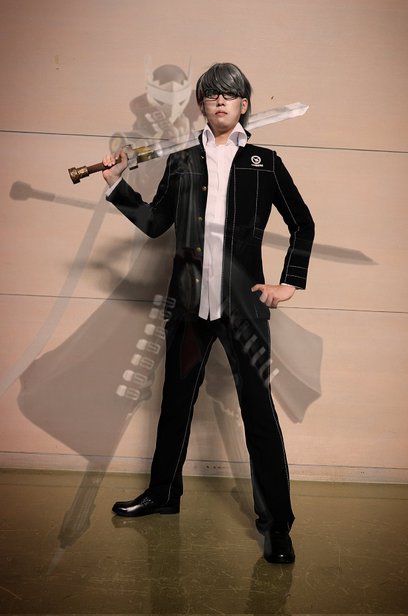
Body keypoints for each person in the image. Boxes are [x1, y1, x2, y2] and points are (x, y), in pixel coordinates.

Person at [102, 62, 315, 564]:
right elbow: (156, 223)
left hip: (244, 308)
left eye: (230, 94)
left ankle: (276, 525)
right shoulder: (182, 162)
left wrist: (289, 282)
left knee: (259, 414)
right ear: (202, 104)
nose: (221, 100)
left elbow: (302, 223)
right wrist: (115, 185)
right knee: (175, 404)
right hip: (189, 306)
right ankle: (163, 494)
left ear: (243, 105)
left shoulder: (264, 162)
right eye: (212, 94)